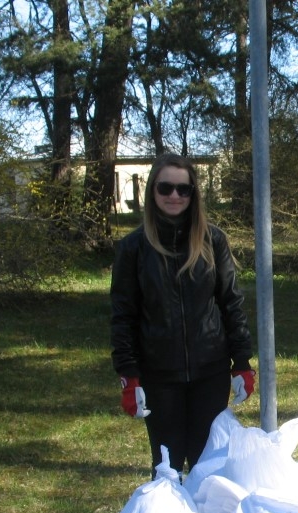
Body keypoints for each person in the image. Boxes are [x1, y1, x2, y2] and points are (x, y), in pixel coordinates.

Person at [110, 153, 255, 475]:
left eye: (183, 189)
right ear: (152, 192)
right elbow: (123, 315)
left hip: (211, 371)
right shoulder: (133, 247)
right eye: (166, 188)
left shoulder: (212, 240)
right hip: (159, 375)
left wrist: (242, 363)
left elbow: (231, 302)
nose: (174, 196)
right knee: (167, 466)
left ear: (193, 194)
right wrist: (129, 376)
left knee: (211, 465)